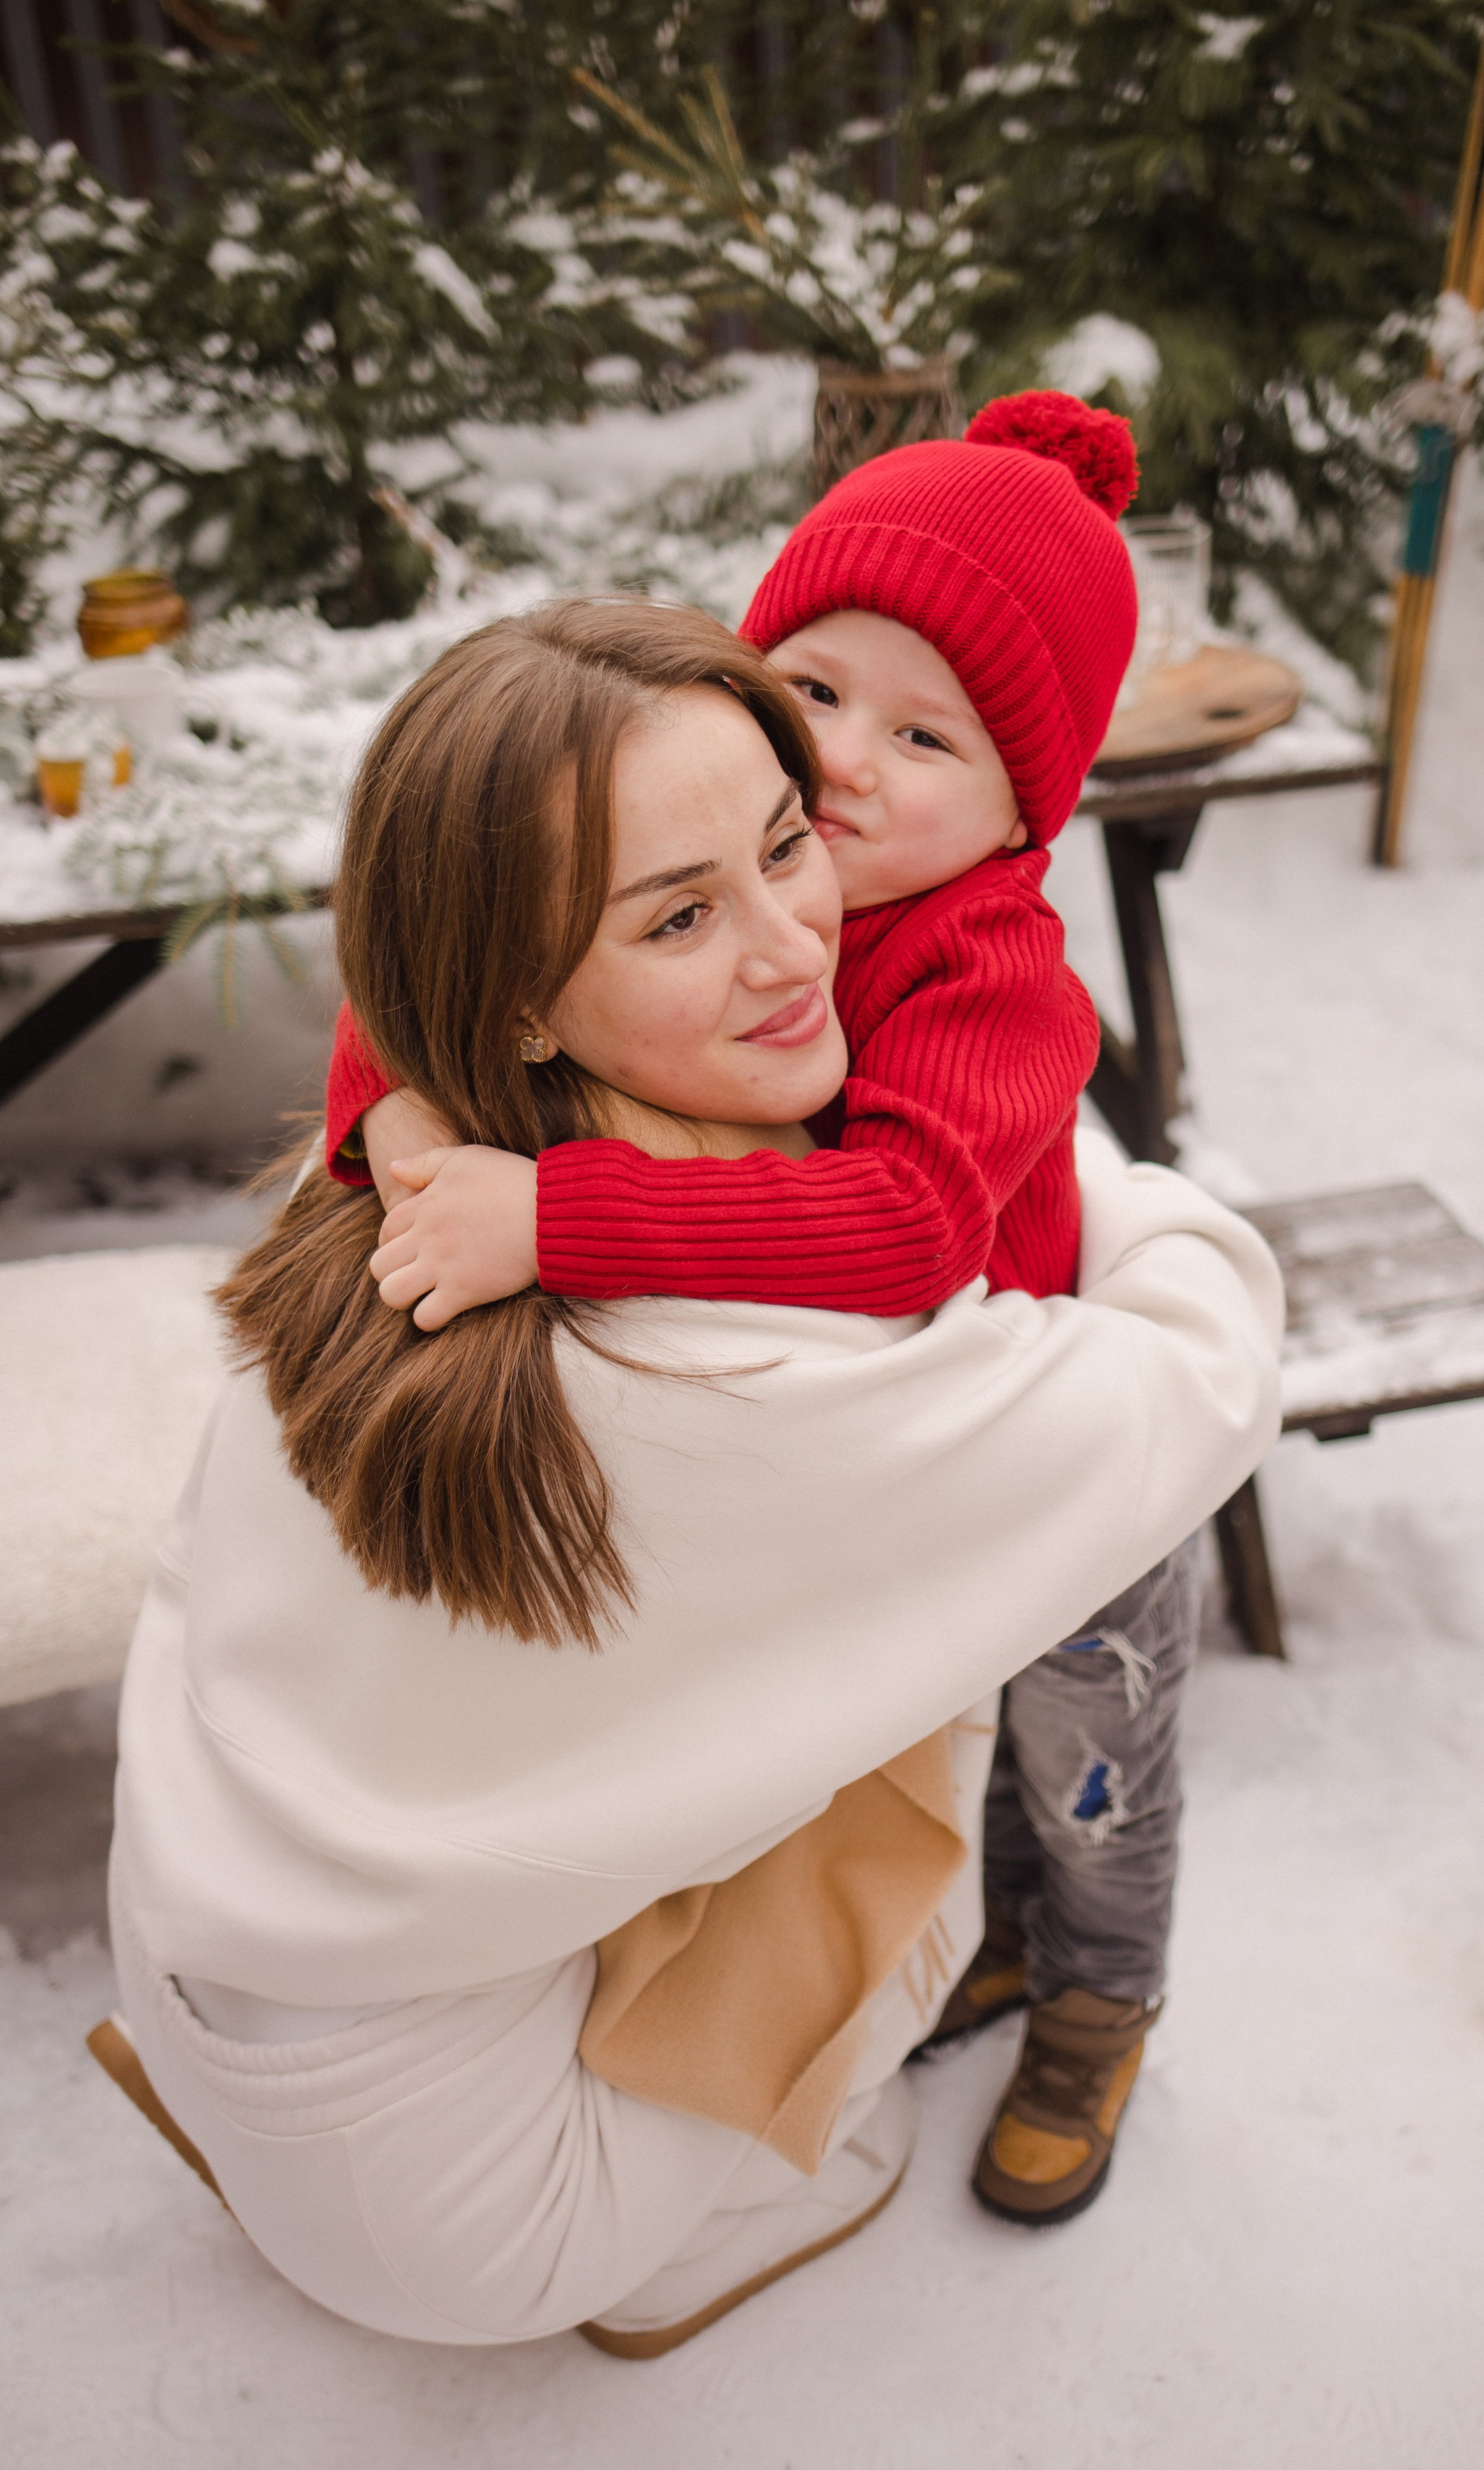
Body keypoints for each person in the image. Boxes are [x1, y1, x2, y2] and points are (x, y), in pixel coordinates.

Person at [103, 597, 1281, 2354]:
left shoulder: (395, 1178)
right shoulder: (771, 1378)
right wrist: (1003, 1178)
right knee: (964, 1664)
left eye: (788, 843)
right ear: (514, 992)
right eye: (677, 913)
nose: (801, 949)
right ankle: (745, 2204)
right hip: (471, 2222)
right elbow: (1205, 1352)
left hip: (199, 1973)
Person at [326, 394, 1216, 2226]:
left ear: (1023, 798)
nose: (846, 769)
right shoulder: (704, 829)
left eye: (926, 737)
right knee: (948, 1734)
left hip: (1049, 1472)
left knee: (1091, 1769)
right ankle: (985, 1938)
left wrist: (550, 1212)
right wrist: (397, 1117)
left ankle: (1095, 2001)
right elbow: (441, 949)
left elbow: (897, 1226)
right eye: (812, 692)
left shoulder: (990, 975)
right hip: (882, 1476)